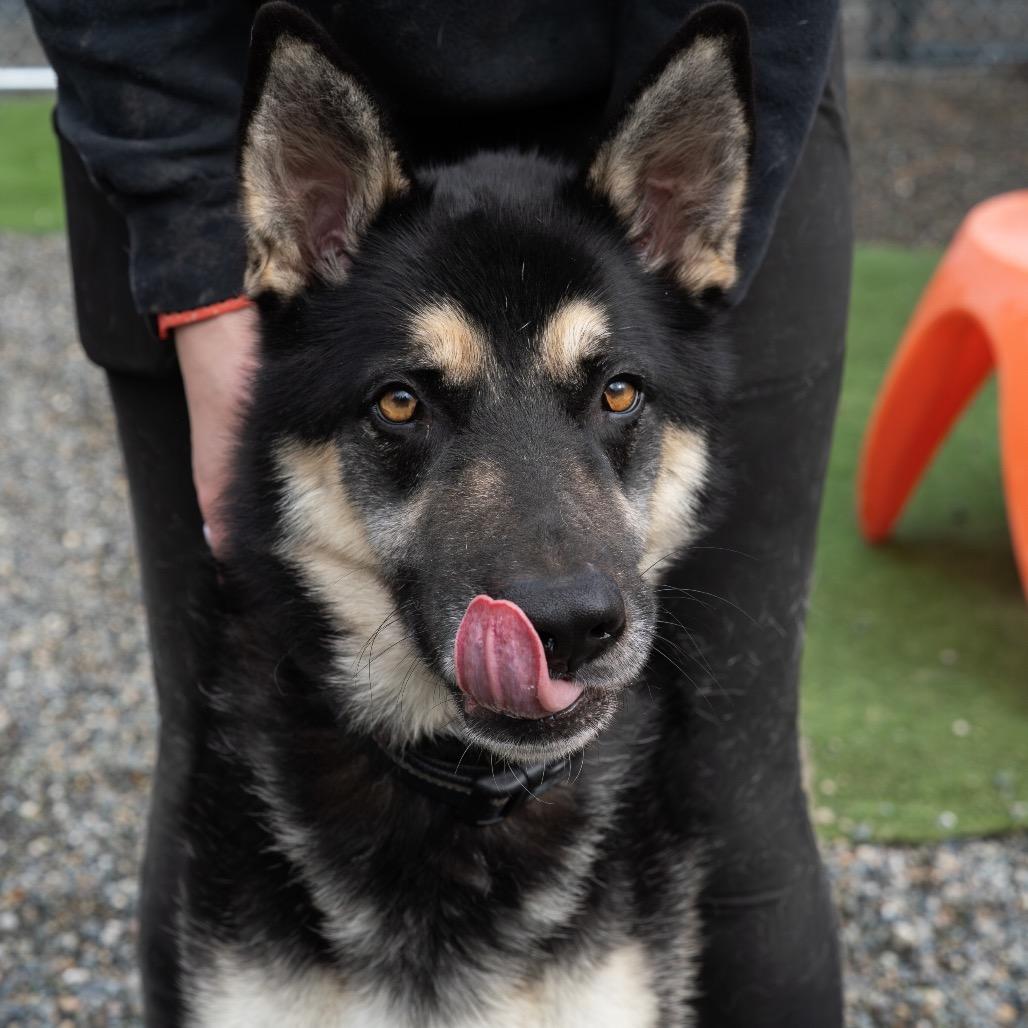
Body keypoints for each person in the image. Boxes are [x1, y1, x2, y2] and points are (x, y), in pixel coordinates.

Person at [26, 2, 852, 1024]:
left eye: (615, 395)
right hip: (208, 74)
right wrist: (202, 280)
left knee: (740, 795)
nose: (556, 588)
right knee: (214, 754)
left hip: (661, 45)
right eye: (407, 403)